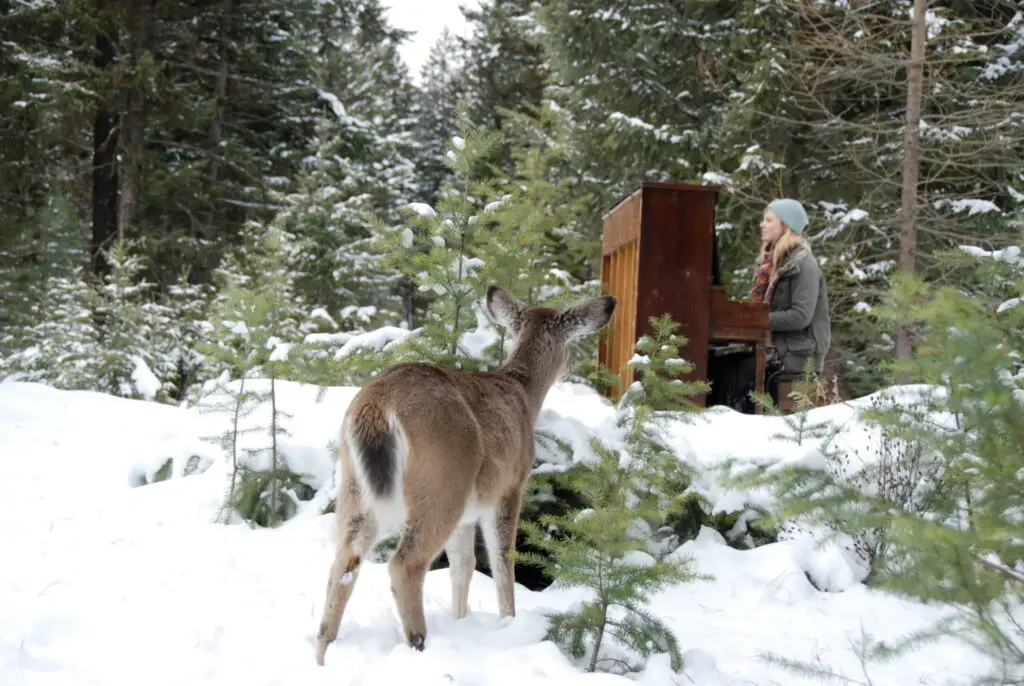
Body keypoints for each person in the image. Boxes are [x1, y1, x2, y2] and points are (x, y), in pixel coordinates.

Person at [709, 198, 832, 412]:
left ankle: (738, 427)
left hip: (799, 355)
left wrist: (755, 320)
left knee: (738, 373)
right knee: (717, 366)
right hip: (779, 349)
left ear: (785, 226)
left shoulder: (804, 266)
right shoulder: (773, 265)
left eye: (768, 220)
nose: (761, 224)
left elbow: (800, 316)